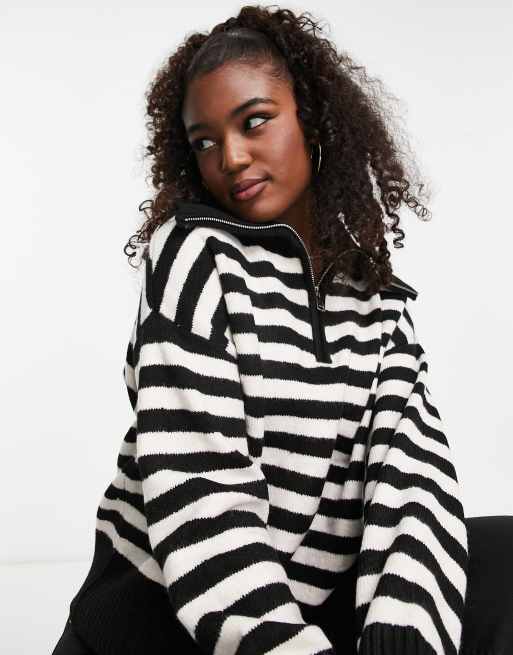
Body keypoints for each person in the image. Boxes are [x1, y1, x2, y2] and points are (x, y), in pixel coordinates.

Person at [53, 5, 508, 655]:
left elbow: (412, 477)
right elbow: (203, 500)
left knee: (499, 554)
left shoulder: (376, 295)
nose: (231, 157)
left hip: (305, 600)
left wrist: (404, 635)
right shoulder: (193, 257)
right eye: (204, 142)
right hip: (164, 617)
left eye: (254, 120)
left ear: (311, 118)